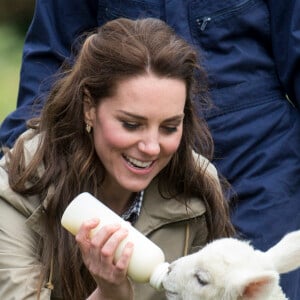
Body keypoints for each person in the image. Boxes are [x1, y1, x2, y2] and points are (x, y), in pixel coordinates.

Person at [0, 0, 300, 298]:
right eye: (131, 124)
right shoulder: (17, 193)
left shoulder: (198, 192)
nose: (150, 146)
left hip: (260, 161)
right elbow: (48, 56)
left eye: (169, 126)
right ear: (89, 108)